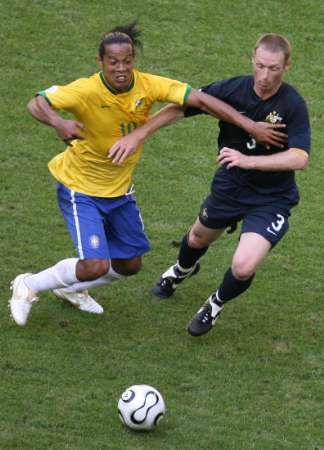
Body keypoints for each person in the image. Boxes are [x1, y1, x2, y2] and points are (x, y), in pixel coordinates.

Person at [9, 23, 287, 327]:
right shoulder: (85, 89)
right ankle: (29, 284)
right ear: (100, 62)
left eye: (127, 61)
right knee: (96, 264)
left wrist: (250, 126)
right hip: (81, 188)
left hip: (119, 190)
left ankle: (72, 289)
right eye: (113, 62)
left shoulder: (147, 85)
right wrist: (57, 122)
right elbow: (36, 102)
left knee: (130, 264)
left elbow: (202, 100)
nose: (121, 68)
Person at [108, 33, 310, 337]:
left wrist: (247, 160)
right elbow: (179, 106)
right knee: (198, 237)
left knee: (243, 266)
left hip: (272, 198)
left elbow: (299, 158)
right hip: (230, 187)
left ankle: (214, 305)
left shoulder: (292, 104)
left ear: (287, 66)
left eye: (274, 69)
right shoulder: (232, 89)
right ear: (252, 59)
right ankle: (181, 270)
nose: (265, 76)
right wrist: (139, 135)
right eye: (261, 66)